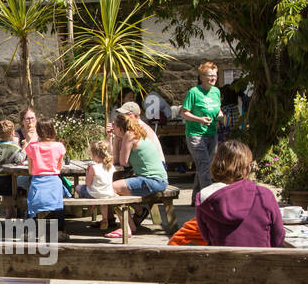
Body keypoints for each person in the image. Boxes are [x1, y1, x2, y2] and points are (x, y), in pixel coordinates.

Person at [180, 140, 285, 284]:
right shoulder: (264, 195)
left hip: (220, 283)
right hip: (264, 283)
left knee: (191, 281)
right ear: (246, 167)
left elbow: (207, 237)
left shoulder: (204, 197)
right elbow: (278, 238)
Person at [107, 107, 168, 239]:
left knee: (110, 188)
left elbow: (122, 162)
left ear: (119, 127)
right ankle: (131, 221)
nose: (114, 128)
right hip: (158, 179)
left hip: (152, 180)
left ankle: (126, 227)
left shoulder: (129, 135)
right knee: (118, 187)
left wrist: (117, 139)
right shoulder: (138, 132)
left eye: (115, 126)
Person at [179, 61, 223, 193]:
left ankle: (196, 198)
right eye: (209, 75)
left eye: (215, 75)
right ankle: (208, 198)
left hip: (212, 134)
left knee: (206, 166)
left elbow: (217, 108)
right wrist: (199, 119)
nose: (213, 78)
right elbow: (184, 113)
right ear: (201, 77)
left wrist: (220, 115)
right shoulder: (194, 92)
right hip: (195, 135)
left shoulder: (216, 91)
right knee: (204, 166)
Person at [25, 119, 66, 233]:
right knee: (59, 206)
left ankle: (30, 231)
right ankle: (60, 231)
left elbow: (30, 170)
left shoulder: (32, 147)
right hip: (54, 181)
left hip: (38, 181)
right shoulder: (59, 146)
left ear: (38, 131)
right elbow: (59, 168)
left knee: (31, 206)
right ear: (53, 130)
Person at [77, 138, 116, 228]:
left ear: (95, 155)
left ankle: (91, 204)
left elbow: (88, 183)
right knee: (103, 202)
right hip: (107, 193)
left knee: (78, 187)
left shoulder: (93, 167)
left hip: (94, 194)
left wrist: (87, 173)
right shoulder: (111, 166)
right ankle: (105, 219)